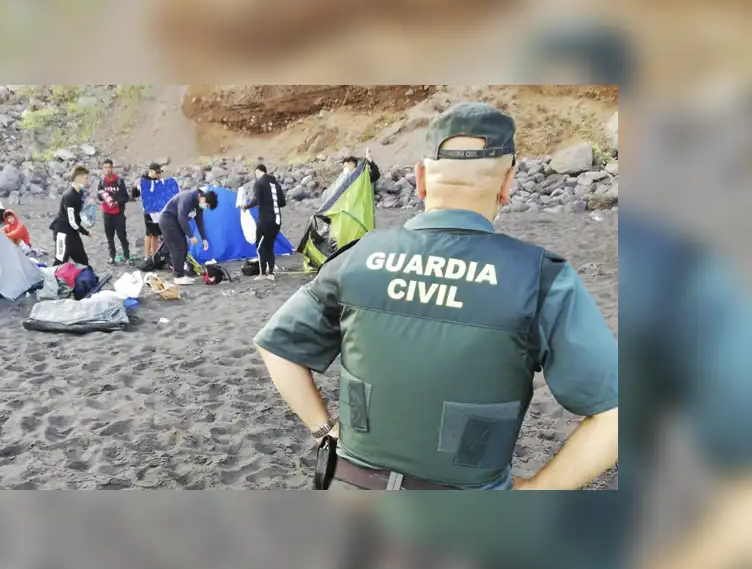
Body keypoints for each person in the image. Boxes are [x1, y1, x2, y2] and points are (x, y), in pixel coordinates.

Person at [253, 102, 618, 491]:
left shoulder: (358, 258)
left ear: (421, 179)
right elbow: (615, 413)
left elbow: (277, 347)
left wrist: (325, 429)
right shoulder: (540, 278)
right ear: (507, 183)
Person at [157, 188, 218, 285]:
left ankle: (180, 273)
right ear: (203, 198)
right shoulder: (188, 198)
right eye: (207, 205)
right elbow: (181, 217)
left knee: (185, 247)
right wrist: (191, 235)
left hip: (176, 223)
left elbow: (200, 223)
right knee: (178, 247)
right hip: (167, 220)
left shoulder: (199, 207)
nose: (205, 207)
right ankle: (178, 276)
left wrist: (204, 239)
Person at [242, 164, 286, 280]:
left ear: (257, 172)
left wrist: (246, 206)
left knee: (260, 247)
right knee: (269, 246)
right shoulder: (276, 184)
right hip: (277, 221)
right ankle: (270, 273)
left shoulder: (259, 183)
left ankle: (262, 274)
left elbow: (257, 200)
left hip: (265, 220)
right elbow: (282, 202)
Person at [48, 164, 92, 267]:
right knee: (60, 262)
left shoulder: (79, 193)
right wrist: (86, 232)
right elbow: (72, 221)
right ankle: (53, 281)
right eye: (86, 178)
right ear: (78, 178)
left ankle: (84, 281)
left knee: (83, 261)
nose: (87, 181)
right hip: (61, 233)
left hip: (72, 233)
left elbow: (77, 214)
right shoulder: (69, 196)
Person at [97, 158, 131, 264]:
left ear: (112, 168)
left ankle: (127, 257)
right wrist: (103, 196)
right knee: (109, 236)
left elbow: (126, 197)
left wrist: (117, 202)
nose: (107, 170)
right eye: (105, 168)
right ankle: (112, 256)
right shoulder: (102, 182)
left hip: (118, 213)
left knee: (122, 236)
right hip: (107, 213)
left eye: (109, 167)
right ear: (102, 169)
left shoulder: (119, 181)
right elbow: (99, 197)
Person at [136, 163, 167, 258]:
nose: (158, 174)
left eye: (159, 172)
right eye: (157, 172)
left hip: (157, 211)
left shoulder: (158, 181)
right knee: (148, 234)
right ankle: (146, 256)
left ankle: (154, 255)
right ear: (151, 171)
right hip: (148, 211)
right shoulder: (144, 181)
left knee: (156, 234)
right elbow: (136, 193)